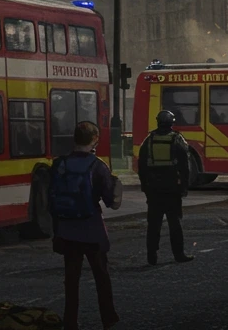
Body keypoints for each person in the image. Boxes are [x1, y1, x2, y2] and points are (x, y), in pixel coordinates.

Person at [50, 121, 120, 330]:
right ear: (94, 139)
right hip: (91, 229)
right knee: (101, 276)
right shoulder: (97, 166)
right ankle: (108, 318)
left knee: (71, 280)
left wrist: (57, 231)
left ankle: (70, 321)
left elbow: (51, 201)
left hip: (67, 229)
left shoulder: (59, 165)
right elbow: (110, 201)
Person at [136, 109, 194, 266]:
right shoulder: (177, 139)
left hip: (154, 189)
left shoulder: (149, 140)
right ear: (172, 123)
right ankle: (179, 254)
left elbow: (141, 165)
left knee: (154, 224)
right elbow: (184, 166)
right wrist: (184, 186)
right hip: (172, 189)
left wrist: (144, 185)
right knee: (175, 222)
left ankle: (152, 255)